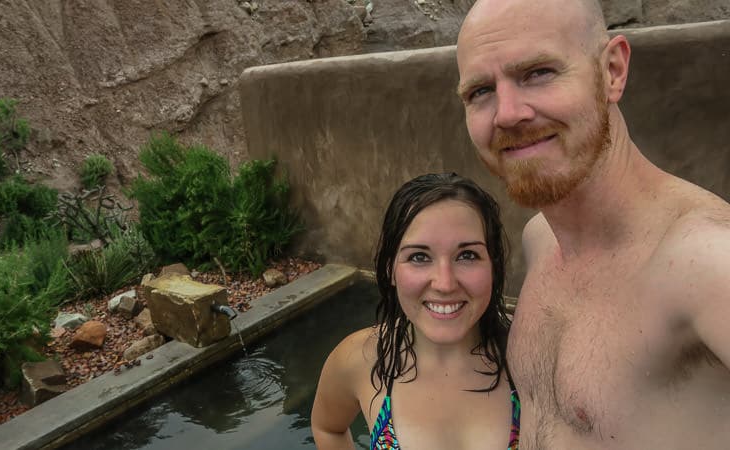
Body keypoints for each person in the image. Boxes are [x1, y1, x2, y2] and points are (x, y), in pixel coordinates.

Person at [455, 0, 730, 448]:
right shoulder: (540, 237)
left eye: (538, 72)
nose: (506, 113)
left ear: (613, 71)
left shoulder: (707, 262)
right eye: (480, 91)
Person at [311, 173, 520, 450]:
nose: (445, 284)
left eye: (467, 255)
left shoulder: (528, 361)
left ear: (493, 266)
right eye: (419, 257)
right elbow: (328, 428)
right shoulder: (359, 358)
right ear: (390, 270)